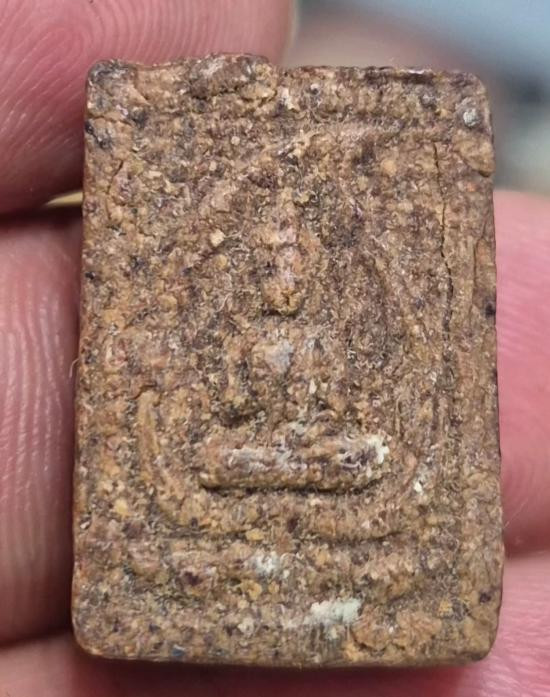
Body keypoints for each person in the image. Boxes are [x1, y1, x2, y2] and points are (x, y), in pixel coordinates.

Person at [0, 2, 548, 694]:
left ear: (314, 266)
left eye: (295, 262)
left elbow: (343, 418)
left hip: (322, 459)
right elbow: (225, 420)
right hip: (245, 461)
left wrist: (325, 441)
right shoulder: (245, 338)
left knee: (365, 459)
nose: (283, 276)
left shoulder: (324, 336)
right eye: (271, 262)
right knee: (213, 463)